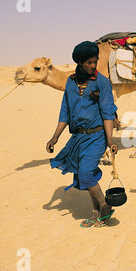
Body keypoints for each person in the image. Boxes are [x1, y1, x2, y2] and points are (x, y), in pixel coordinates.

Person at [46, 41, 118, 228]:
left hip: (97, 137)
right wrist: (55, 137)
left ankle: (105, 207)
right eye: (89, 63)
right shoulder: (71, 82)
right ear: (79, 62)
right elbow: (65, 112)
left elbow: (108, 113)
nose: (93, 66)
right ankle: (96, 214)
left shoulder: (102, 82)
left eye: (95, 62)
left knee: (85, 173)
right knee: (85, 175)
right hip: (78, 137)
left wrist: (110, 140)